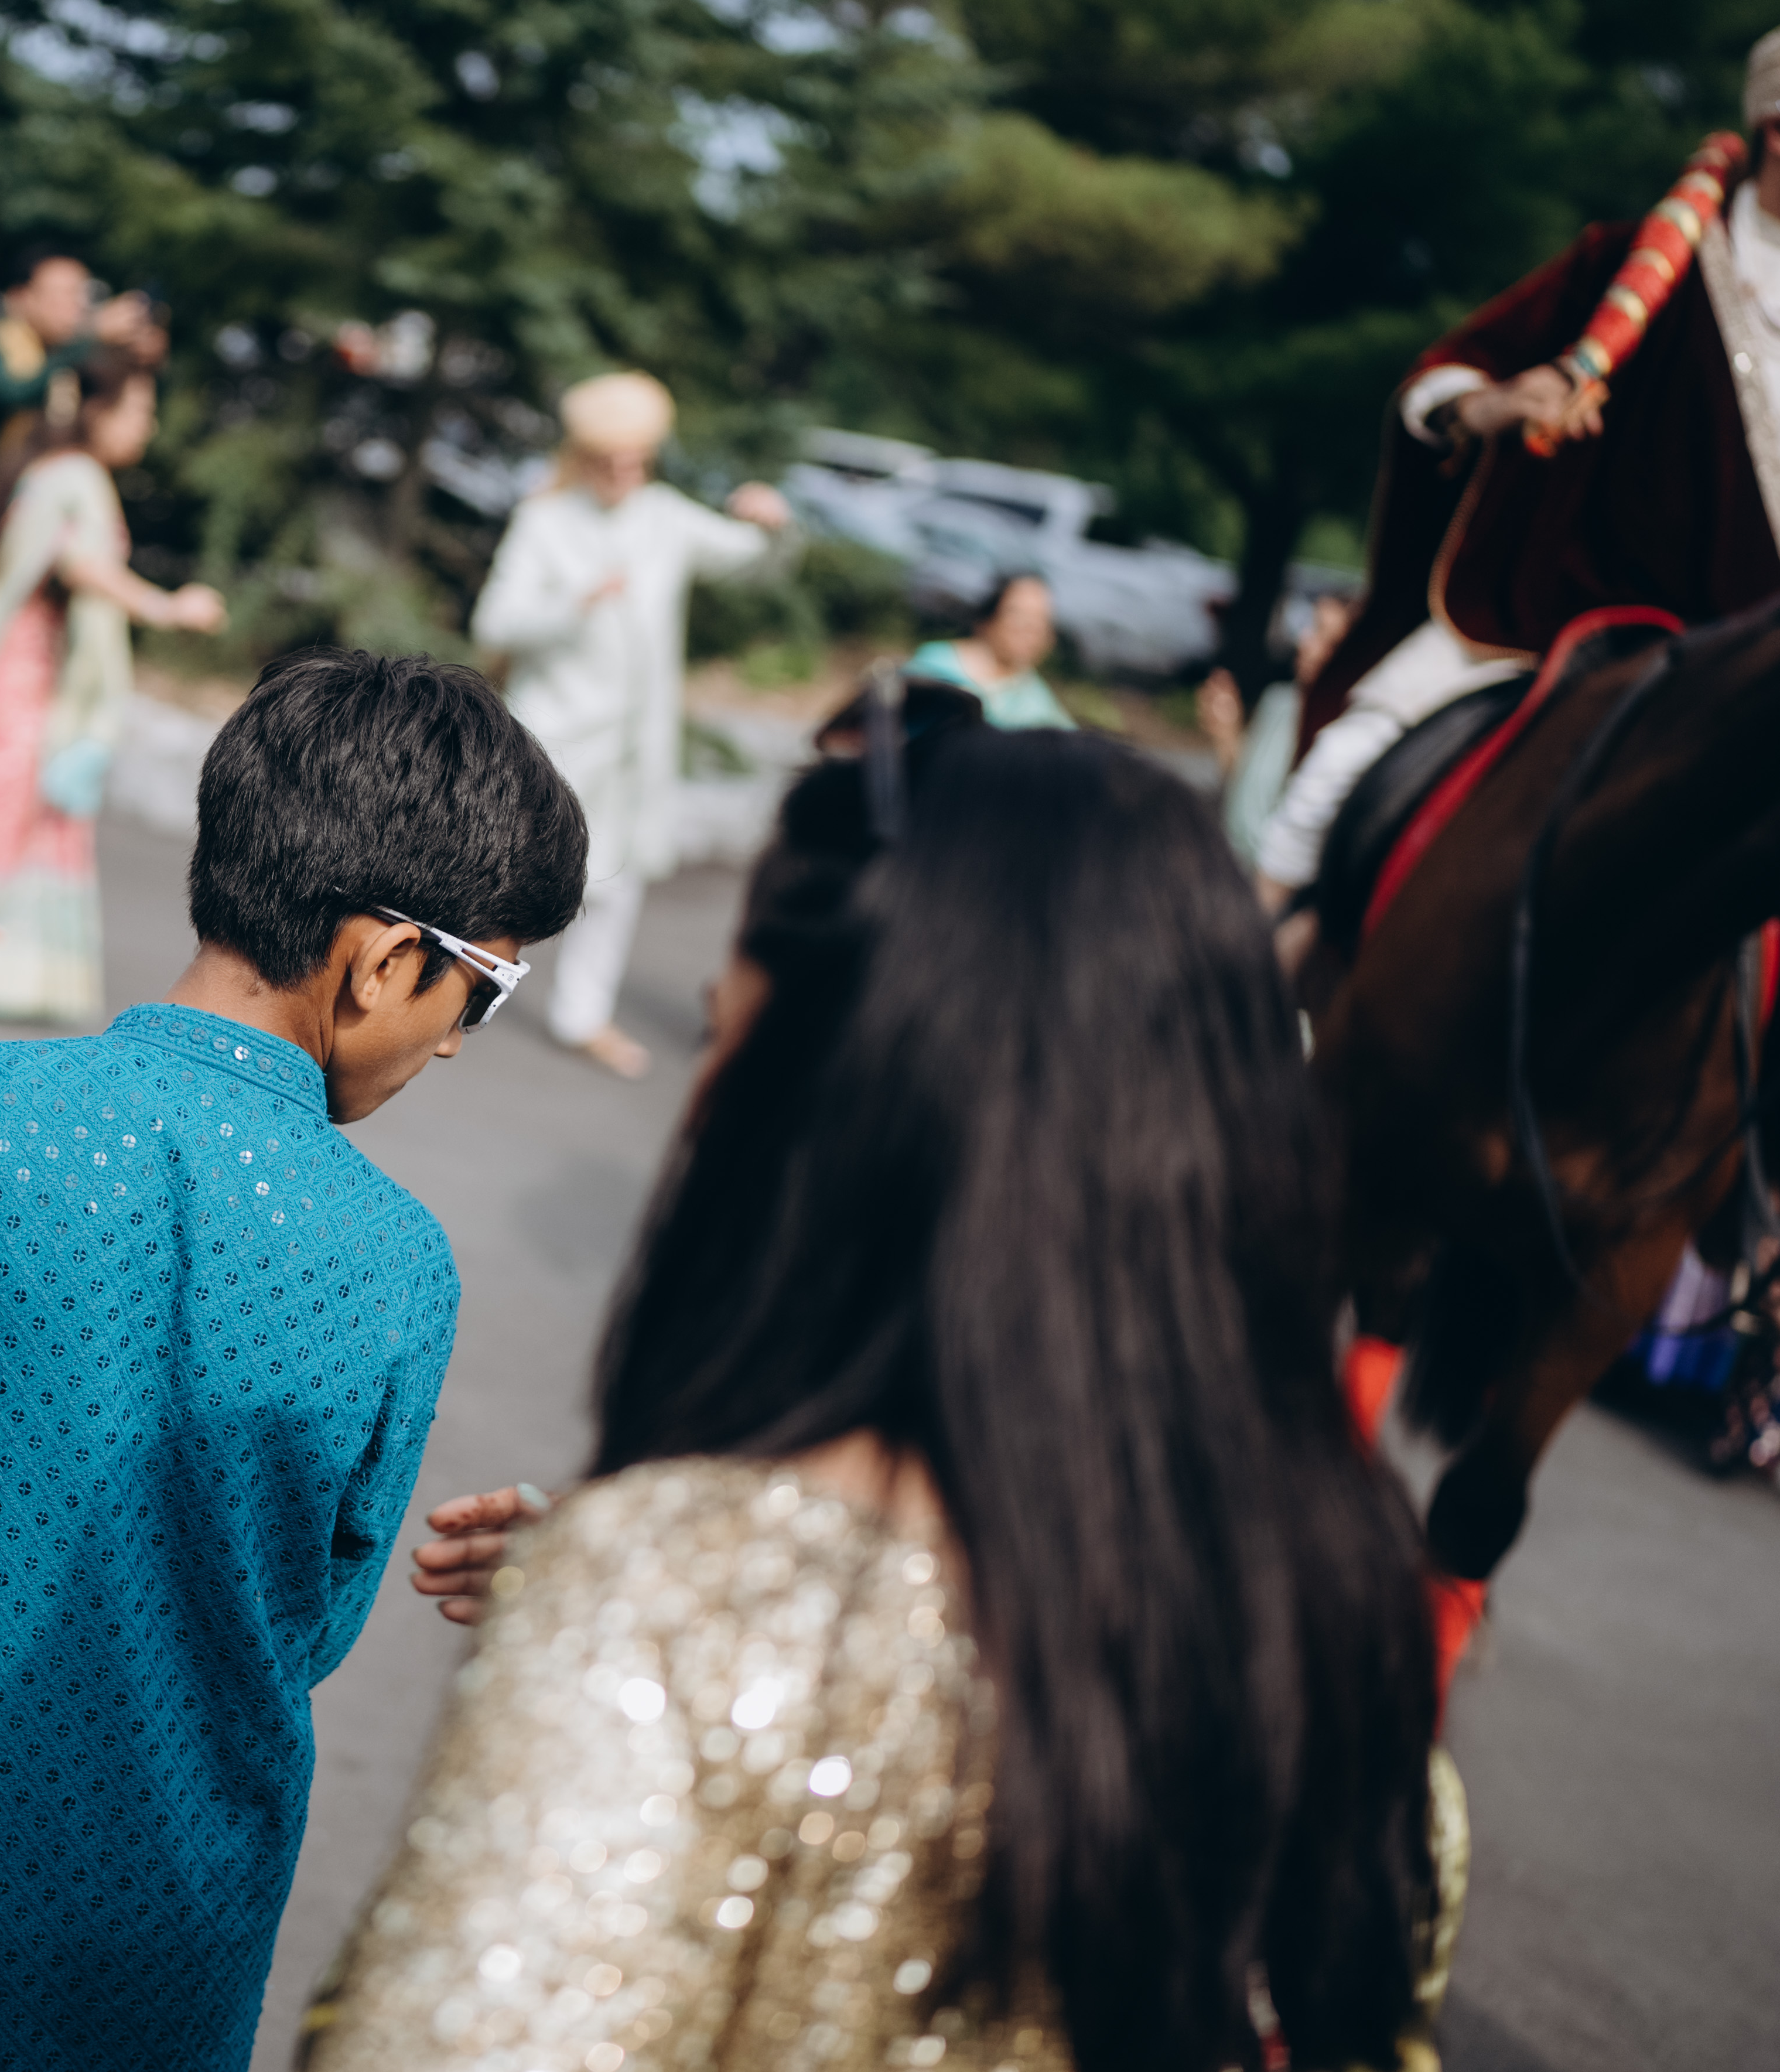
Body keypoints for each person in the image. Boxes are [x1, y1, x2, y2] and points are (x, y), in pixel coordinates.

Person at [326, 722, 1459, 2072]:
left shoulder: (671, 1611)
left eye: (728, 1040)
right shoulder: (1339, 1617)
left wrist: (671, 1591)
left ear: (834, 1105)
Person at [0, 647, 590, 2071]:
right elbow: (314, 1621)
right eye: (483, 992)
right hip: (159, 1934)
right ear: (383, 960)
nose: (458, 1047)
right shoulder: (397, 1262)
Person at [1259, 56, 1780, 905]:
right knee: (1335, 775)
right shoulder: (1623, 262)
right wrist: (1495, 404)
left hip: (1751, 677)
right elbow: (1440, 380)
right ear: (1776, 133)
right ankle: (1256, 970)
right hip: (1563, 621)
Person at [469, 368, 794, 1080]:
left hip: (633, 744)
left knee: (617, 882)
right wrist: (574, 604)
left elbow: (748, 564)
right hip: (557, 733)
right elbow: (494, 622)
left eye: (635, 462)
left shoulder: (665, 516)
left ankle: (581, 1016)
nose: (624, 475)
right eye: (610, 462)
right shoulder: (546, 520)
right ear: (585, 459)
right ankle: (456, 984)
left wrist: (771, 525)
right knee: (508, 864)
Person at [0, 348, 221, 1021]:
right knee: (3, 805)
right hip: (18, 666)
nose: (147, 426)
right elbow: (82, 565)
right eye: (138, 409)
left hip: (2, 653)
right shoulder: (76, 476)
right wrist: (165, 606)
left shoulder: (47, 467)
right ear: (96, 409)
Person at [0, 240, 158, 465]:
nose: (77, 306)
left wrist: (136, 356)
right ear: (22, 297)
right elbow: (13, 393)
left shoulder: (67, 350)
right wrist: (90, 336)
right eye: (66, 294)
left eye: (82, 294)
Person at [1199, 589, 1350, 867]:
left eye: (1326, 639)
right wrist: (1227, 732)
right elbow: (1248, 795)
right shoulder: (1280, 702)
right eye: (1312, 626)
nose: (1305, 642)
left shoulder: (1344, 733)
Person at [907, 569, 1075, 731]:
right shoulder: (934, 665)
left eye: (1041, 621)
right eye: (1019, 615)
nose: (1030, 629)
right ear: (987, 618)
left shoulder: (1037, 699)